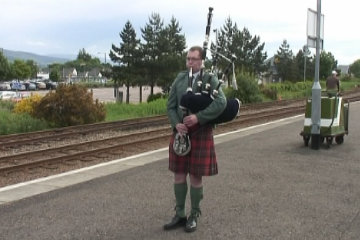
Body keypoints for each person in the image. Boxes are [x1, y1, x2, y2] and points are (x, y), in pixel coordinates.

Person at [164, 46, 227, 233]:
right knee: (179, 174)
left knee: (196, 176)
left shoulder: (210, 79)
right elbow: (170, 106)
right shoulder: (180, 78)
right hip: (181, 134)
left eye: (194, 59)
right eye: (188, 58)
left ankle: (194, 215)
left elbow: (221, 102)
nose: (190, 62)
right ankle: (180, 214)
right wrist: (177, 124)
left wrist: (199, 118)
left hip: (200, 132)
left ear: (201, 61)